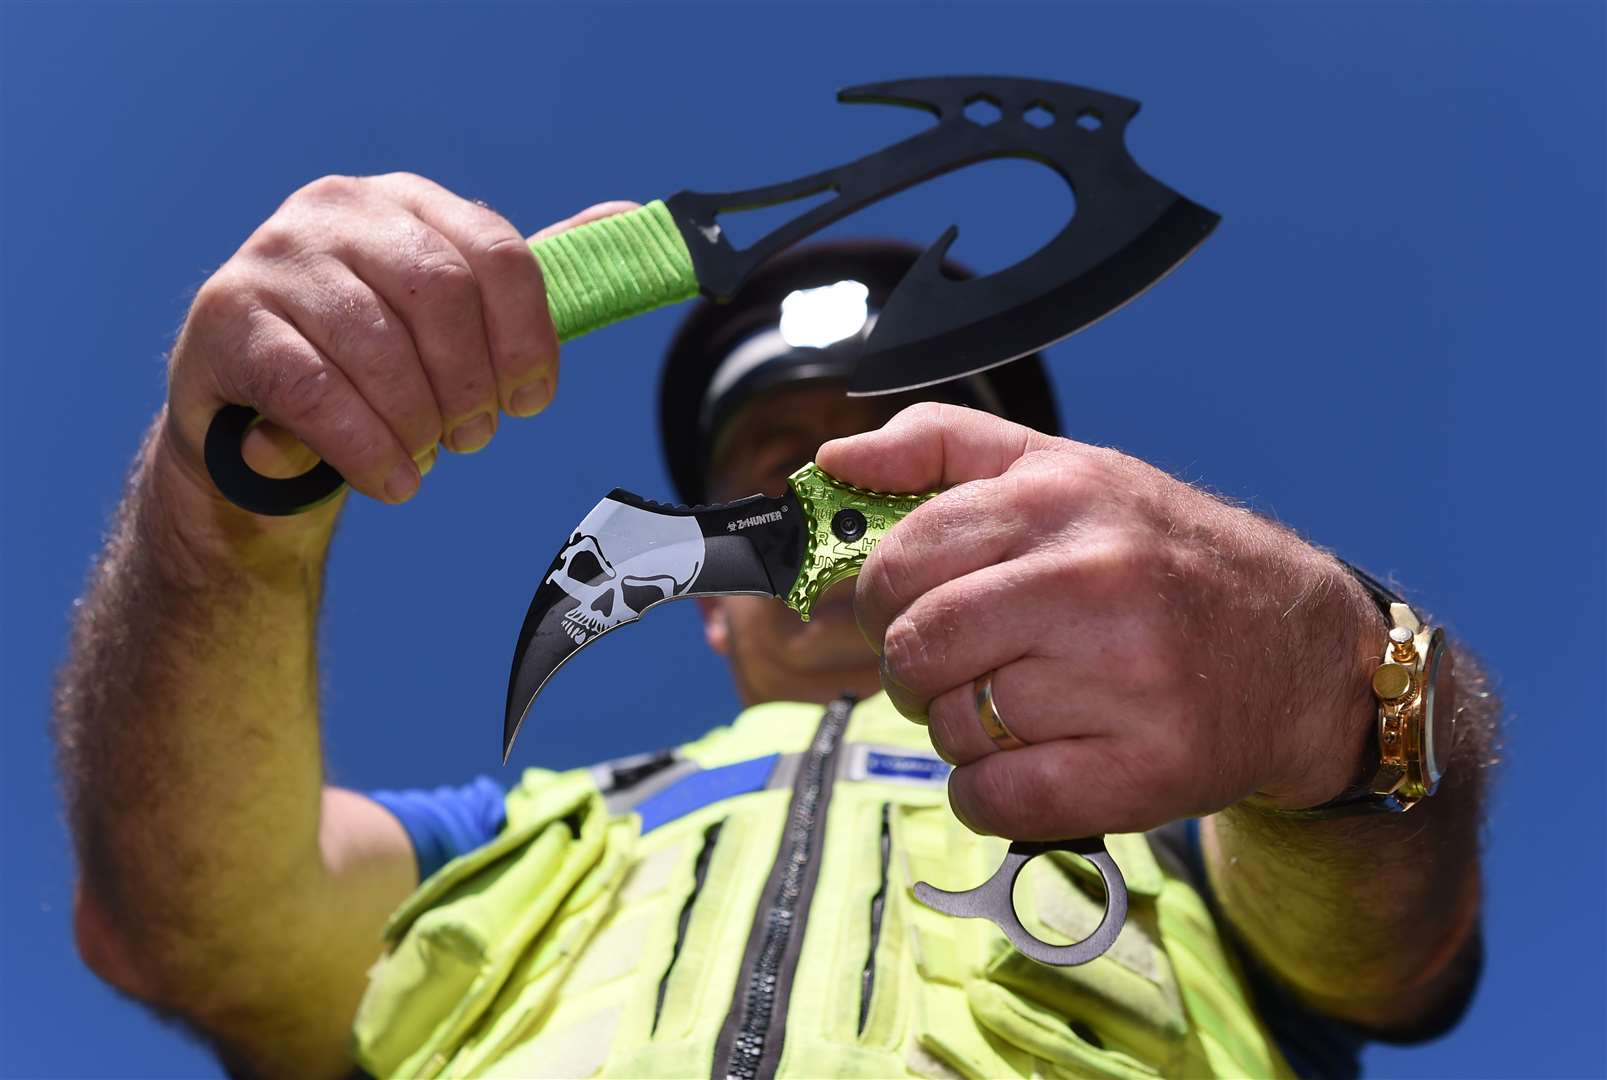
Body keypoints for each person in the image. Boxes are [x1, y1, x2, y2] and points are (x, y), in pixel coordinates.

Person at [53, 175, 1495, 1079]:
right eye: (774, 449)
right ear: (707, 616)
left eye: (897, 431)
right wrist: (220, 519)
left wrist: (1331, 679)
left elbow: (1392, 959)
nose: (833, 474)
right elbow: (192, 928)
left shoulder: (1197, 813)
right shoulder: (513, 837)